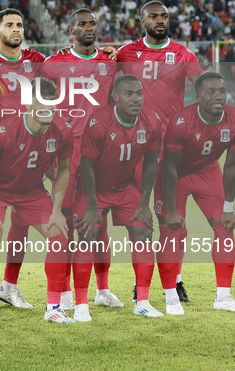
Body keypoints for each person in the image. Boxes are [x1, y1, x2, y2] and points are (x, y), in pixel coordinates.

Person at [116, 0, 204, 302]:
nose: (160, 20)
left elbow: (202, 83)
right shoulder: (125, 53)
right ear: (142, 22)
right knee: (139, 221)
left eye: (164, 16)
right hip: (136, 150)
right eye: (153, 16)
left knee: (173, 220)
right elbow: (98, 70)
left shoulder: (183, 54)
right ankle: (140, 286)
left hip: (171, 150)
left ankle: (175, 281)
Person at [0, 78, 74, 328]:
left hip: (31, 191)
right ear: (28, 104)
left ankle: (53, 308)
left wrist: (57, 211)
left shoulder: (62, 130)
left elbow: (63, 170)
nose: (48, 108)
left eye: (52, 103)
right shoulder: (5, 129)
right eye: (41, 102)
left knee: (59, 234)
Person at [43, 8, 122, 311]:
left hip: (100, 154)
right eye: (82, 24)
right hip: (65, 153)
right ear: (71, 30)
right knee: (65, 223)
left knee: (97, 224)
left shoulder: (110, 62)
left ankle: (102, 290)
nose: (88, 28)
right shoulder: (53, 65)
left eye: (92, 24)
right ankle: (63, 293)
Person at [0, 8, 46, 312]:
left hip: (28, 156)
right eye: (9, 25)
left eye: (19, 24)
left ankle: (9, 287)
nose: (16, 29)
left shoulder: (37, 60)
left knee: (23, 223)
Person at [74, 74, 163, 319]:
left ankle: (143, 302)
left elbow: (151, 163)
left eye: (139, 94)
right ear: (116, 98)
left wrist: (144, 203)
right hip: (94, 186)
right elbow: (87, 166)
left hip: (125, 186)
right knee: (87, 232)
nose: (136, 99)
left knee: (143, 229)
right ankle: (81, 304)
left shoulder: (152, 121)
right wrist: (92, 207)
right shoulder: (99, 121)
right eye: (129, 94)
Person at [160, 72, 235, 314]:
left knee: (225, 226)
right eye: (210, 92)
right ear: (198, 96)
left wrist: (229, 208)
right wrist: (169, 209)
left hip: (208, 171)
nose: (218, 96)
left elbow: (232, 167)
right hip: (175, 174)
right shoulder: (180, 122)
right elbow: (168, 166)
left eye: (221, 91)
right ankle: (170, 298)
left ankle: (224, 297)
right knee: (173, 231)